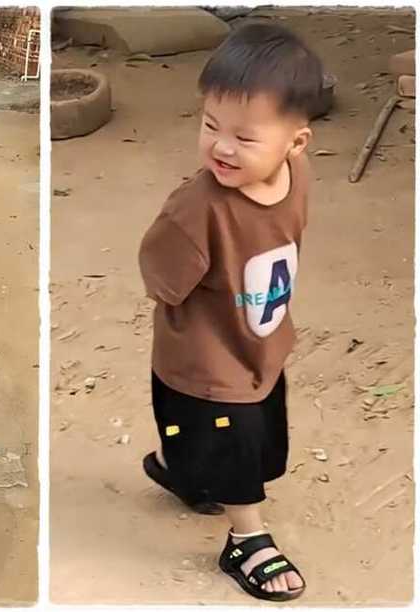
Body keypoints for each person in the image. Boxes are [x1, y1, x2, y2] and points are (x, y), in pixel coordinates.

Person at [138, 22, 322, 601]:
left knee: (259, 436)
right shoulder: (196, 210)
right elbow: (160, 274)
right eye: (210, 125)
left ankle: (183, 468)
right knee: (236, 442)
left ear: (295, 144)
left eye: (244, 137)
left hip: (260, 343)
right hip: (206, 361)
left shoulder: (297, 178)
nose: (220, 146)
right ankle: (247, 538)